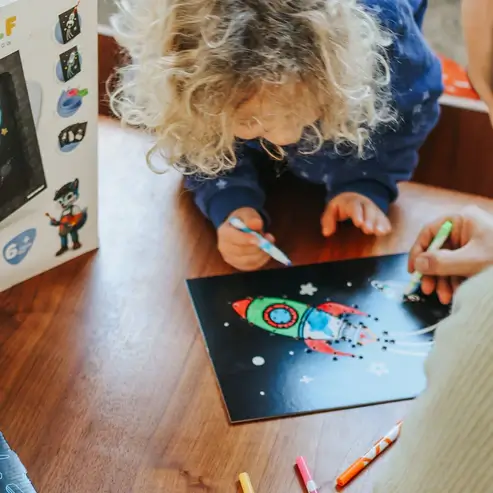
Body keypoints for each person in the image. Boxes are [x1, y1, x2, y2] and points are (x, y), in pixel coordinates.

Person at [111, 0, 443, 271]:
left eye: (299, 112)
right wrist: (230, 201)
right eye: (253, 121)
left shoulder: (384, 28)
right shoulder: (192, 68)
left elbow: (407, 113)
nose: (285, 138)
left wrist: (366, 183)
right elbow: (195, 138)